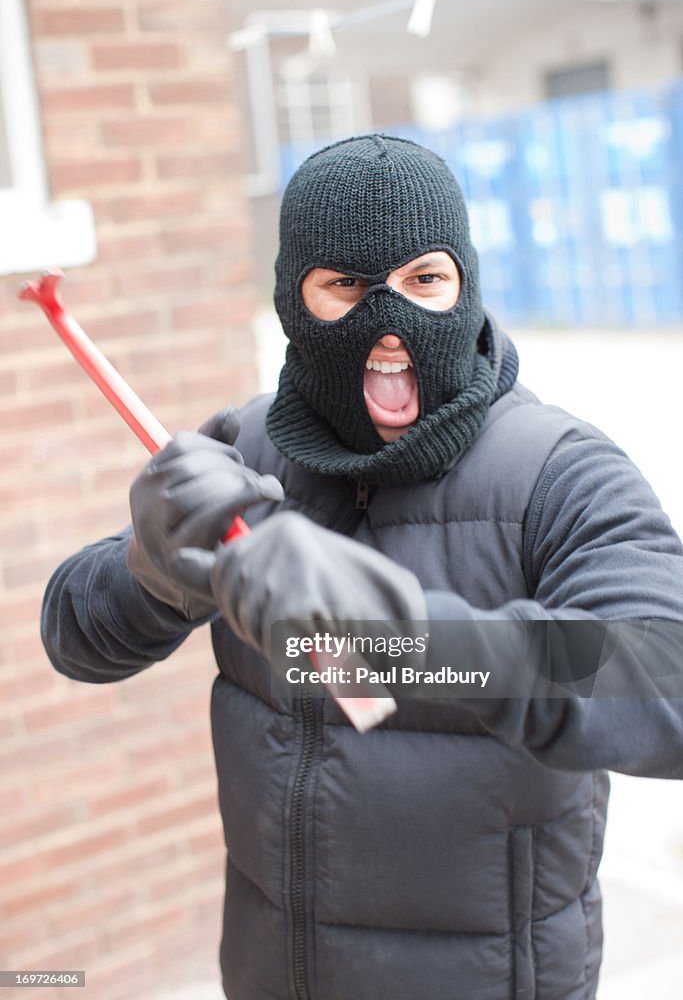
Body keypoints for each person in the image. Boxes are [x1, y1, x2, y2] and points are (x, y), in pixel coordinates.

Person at [41, 134, 683, 1000]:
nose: (391, 324)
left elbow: (659, 675)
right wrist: (154, 570)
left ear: (465, 285)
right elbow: (77, 637)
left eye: (425, 280)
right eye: (345, 286)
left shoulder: (558, 471)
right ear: (293, 301)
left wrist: (405, 642)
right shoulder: (243, 451)